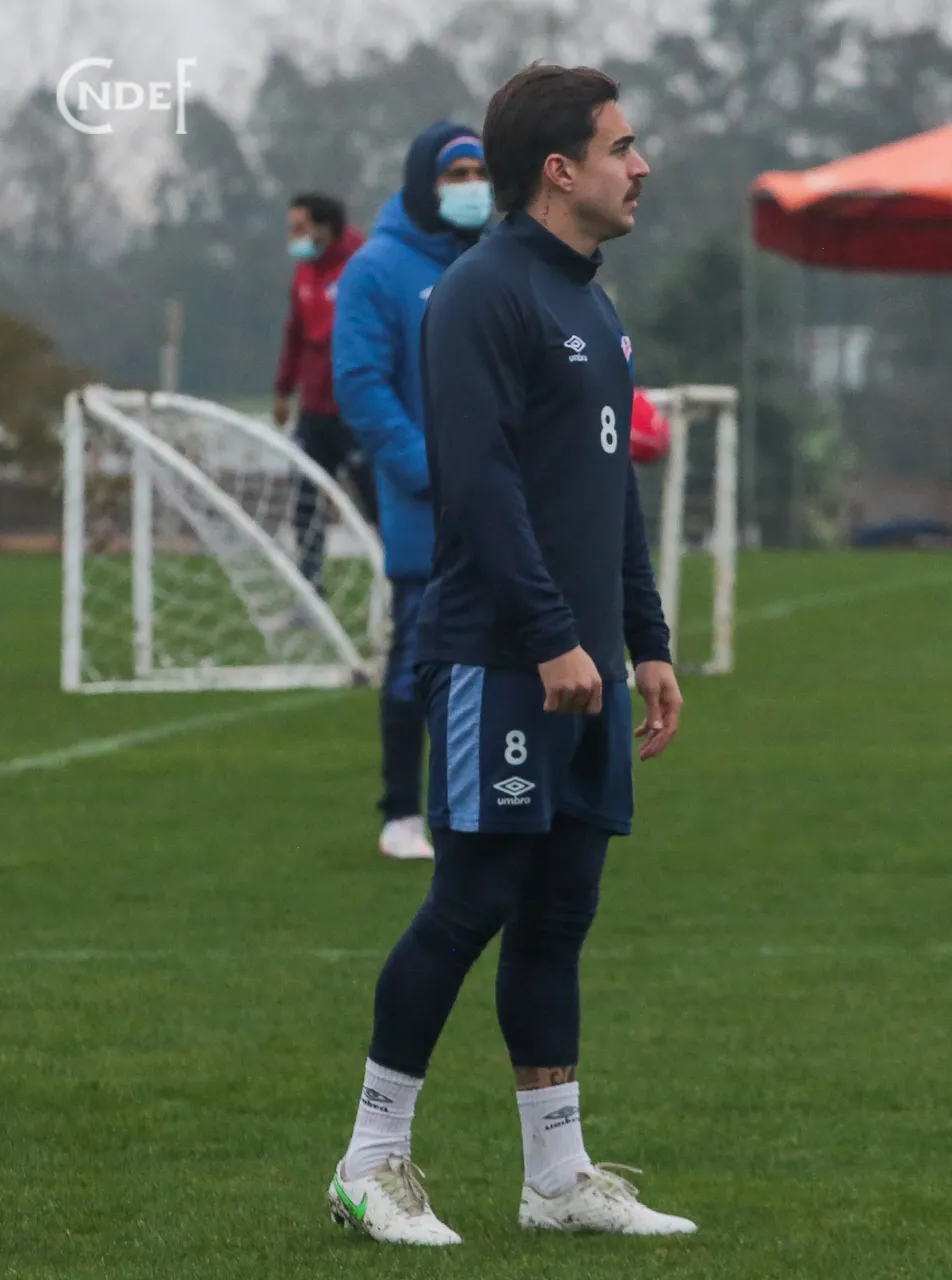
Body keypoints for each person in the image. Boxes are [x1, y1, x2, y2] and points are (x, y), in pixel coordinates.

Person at [324, 64, 690, 1246]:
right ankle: (369, 1161)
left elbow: (610, 496)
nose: (642, 166)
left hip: (583, 667)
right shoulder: (481, 294)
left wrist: (645, 639)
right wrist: (548, 636)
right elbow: (477, 488)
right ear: (561, 168)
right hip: (500, 658)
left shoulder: (595, 305)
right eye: (623, 146)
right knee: (470, 899)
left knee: (560, 910)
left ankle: (557, 1176)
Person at [332, 123, 494, 862]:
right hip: (426, 512)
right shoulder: (377, 269)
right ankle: (401, 812)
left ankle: (495, 804)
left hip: (507, 507)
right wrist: (427, 469)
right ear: (424, 182)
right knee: (418, 663)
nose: (471, 187)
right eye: (456, 173)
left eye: (480, 172)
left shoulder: (496, 260)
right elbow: (361, 385)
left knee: (506, 665)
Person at [275, 192, 373, 593]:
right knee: (304, 500)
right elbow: (295, 334)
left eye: (300, 227)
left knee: (375, 502)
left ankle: (399, 587)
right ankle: (311, 590)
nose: (294, 236)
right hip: (314, 409)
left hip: (356, 410)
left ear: (325, 227)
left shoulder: (362, 265)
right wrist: (283, 390)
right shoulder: (303, 272)